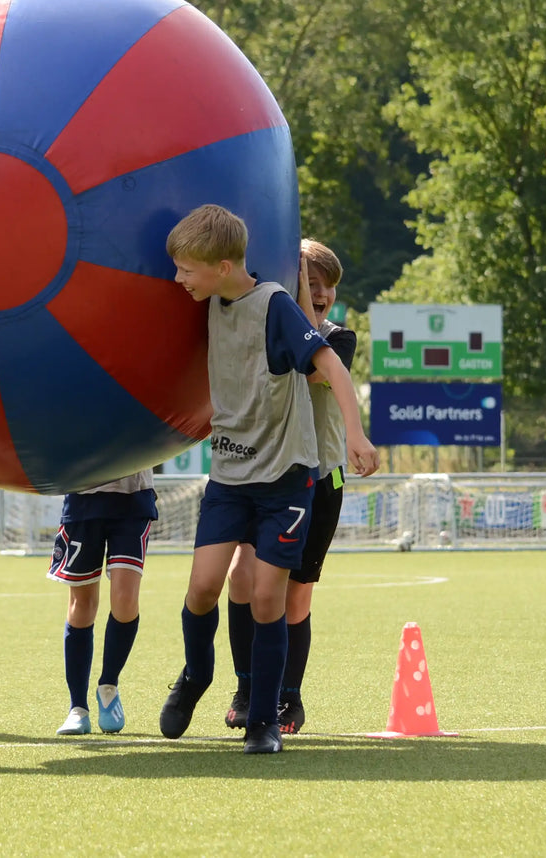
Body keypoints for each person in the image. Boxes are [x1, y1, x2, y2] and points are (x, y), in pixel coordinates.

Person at [159, 205, 379, 755]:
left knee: (265, 597)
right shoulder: (207, 301)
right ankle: (195, 676)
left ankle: (264, 720)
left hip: (286, 481)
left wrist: (357, 435)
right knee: (203, 587)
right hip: (230, 477)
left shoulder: (276, 306)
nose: (178, 279)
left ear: (225, 265)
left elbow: (330, 366)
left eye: (187, 269)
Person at [222, 238, 355, 735]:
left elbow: (312, 368)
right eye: (308, 282)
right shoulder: (264, 331)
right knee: (242, 578)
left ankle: (289, 699)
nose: (318, 293)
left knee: (296, 598)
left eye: (326, 286)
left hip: (322, 482)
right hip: (270, 478)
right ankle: (246, 687)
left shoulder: (340, 339)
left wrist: (300, 307)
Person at [46, 469, 158, 735]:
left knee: (125, 599)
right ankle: (77, 708)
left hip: (133, 496)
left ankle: (108, 686)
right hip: (83, 496)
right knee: (81, 604)